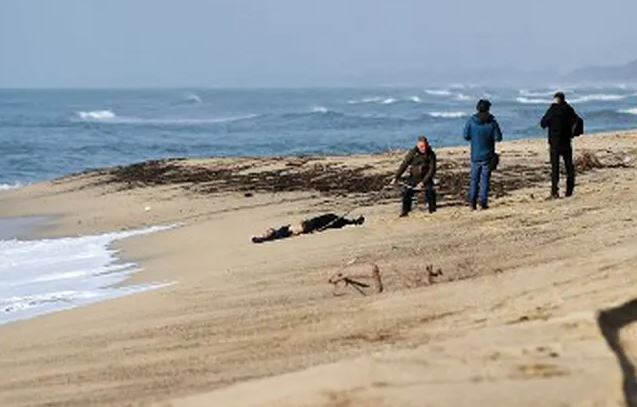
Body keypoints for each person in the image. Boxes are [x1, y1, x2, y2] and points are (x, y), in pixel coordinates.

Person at [463, 99, 503, 210]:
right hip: (488, 155)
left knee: (474, 180)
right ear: (488, 109)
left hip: (475, 155)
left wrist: (475, 137)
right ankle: (483, 202)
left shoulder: (471, 121)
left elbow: (466, 136)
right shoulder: (492, 122)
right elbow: (498, 138)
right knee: (485, 180)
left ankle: (472, 203)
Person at [541, 92, 580, 198]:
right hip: (566, 142)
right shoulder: (569, 110)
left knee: (555, 168)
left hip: (555, 144)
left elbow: (543, 123)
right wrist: (573, 133)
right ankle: (569, 191)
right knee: (569, 168)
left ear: (555, 99)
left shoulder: (552, 110)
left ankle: (554, 192)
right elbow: (578, 121)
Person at [391, 136, 437, 217]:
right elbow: (404, 164)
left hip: (426, 178)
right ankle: (405, 211)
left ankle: (432, 210)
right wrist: (396, 177)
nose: (424, 148)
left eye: (425, 146)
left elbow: (432, 170)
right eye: (422, 146)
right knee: (406, 192)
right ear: (418, 145)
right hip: (414, 178)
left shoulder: (431, 154)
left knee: (430, 191)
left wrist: (423, 182)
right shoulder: (413, 153)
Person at [251, 213, 365, 243]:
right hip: (308, 227)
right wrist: (260, 239)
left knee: (331, 218)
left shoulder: (279, 231)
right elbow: (294, 233)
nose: (267, 230)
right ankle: (353, 222)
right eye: (267, 232)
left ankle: (352, 222)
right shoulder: (279, 234)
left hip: (308, 223)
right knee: (330, 219)